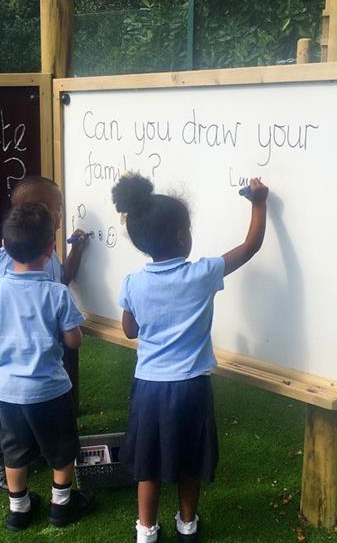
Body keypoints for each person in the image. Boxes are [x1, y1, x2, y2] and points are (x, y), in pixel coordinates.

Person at [112, 174, 269, 542]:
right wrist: (259, 203)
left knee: (148, 465)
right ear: (183, 236)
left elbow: (130, 330)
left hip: (150, 388)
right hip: (192, 389)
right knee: (189, 462)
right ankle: (187, 525)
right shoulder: (202, 274)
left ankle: (146, 531)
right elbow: (250, 246)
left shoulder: (132, 283)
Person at [0, 203, 95, 531]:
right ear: (51, 249)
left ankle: (19, 510)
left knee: (13, 451)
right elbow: (74, 341)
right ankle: (61, 505)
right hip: (50, 390)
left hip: (9, 393)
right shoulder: (57, 294)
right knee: (61, 449)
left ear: (5, 246)